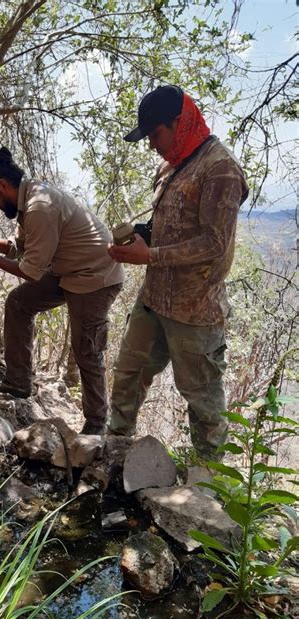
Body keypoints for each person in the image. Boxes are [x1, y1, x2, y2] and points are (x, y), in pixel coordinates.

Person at [107, 84, 249, 461]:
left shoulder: (221, 169)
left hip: (195, 310)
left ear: (179, 122)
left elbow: (214, 244)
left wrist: (149, 255)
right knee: (128, 374)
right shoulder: (170, 164)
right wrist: (139, 238)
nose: (152, 144)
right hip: (154, 300)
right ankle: (115, 451)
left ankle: (207, 486)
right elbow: (168, 225)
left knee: (202, 400)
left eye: (155, 134)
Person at [0, 147, 124, 435]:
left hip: (96, 277)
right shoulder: (29, 201)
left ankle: (97, 425)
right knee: (18, 303)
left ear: (2, 185)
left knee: (86, 348)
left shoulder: (40, 207)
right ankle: (18, 381)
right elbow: (22, 249)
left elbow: (29, 270)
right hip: (68, 271)